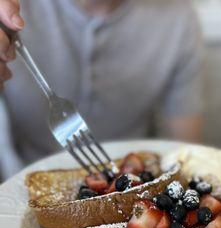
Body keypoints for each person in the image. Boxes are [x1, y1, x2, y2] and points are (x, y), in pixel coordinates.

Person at [0, 0, 204, 177]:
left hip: (134, 177)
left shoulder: (178, 17)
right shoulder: (11, 10)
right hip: (20, 177)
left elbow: (188, 154)